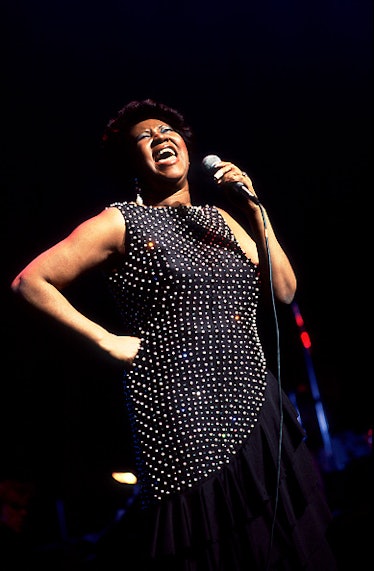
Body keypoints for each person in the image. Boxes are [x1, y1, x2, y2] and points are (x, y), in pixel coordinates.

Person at [10, 98, 337, 570]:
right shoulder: (121, 220)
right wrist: (105, 339)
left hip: (254, 397)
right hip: (181, 408)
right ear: (134, 163)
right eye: (144, 137)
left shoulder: (221, 220)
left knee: (284, 539)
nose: (160, 137)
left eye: (166, 129)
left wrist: (253, 204)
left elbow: (284, 290)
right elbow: (31, 282)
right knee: (217, 544)